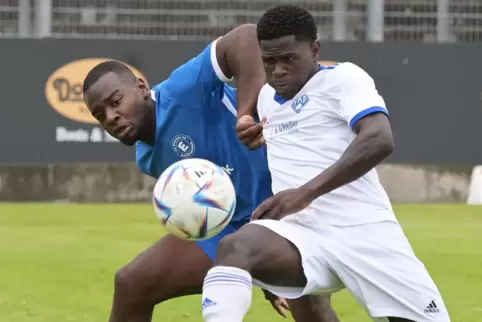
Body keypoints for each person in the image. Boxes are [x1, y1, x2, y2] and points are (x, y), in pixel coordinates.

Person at [203, 5, 451, 322]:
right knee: (235, 249)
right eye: (269, 61)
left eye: (288, 59)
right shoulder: (266, 98)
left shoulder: (344, 79)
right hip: (300, 238)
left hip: (364, 233)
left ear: (315, 50)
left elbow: (378, 139)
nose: (278, 70)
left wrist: (304, 194)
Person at [82, 24, 339, 322]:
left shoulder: (181, 90)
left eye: (115, 102)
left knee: (312, 313)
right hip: (233, 227)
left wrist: (245, 112)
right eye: (100, 115)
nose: (111, 117)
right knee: (132, 283)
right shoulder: (148, 158)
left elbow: (245, 37)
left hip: (289, 208)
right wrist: (256, 264)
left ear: (141, 88)